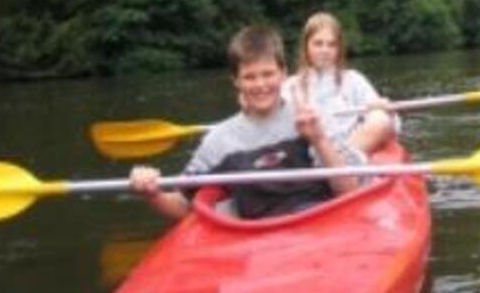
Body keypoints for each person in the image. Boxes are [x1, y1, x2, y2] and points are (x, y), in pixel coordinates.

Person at [129, 24, 363, 220]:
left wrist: (319, 140)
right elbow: (182, 205)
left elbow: (349, 190)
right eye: (249, 77)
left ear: (283, 73)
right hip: (257, 241)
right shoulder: (219, 141)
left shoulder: (313, 119)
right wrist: (152, 192)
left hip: (320, 223)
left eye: (268, 74)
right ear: (236, 81)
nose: (260, 85)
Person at [284, 11, 397, 157]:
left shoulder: (354, 80)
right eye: (318, 44)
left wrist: (382, 109)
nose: (325, 50)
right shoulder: (291, 86)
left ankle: (341, 161)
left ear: (339, 49)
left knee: (380, 118)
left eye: (331, 45)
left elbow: (393, 125)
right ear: (306, 46)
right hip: (308, 154)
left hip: (349, 151)